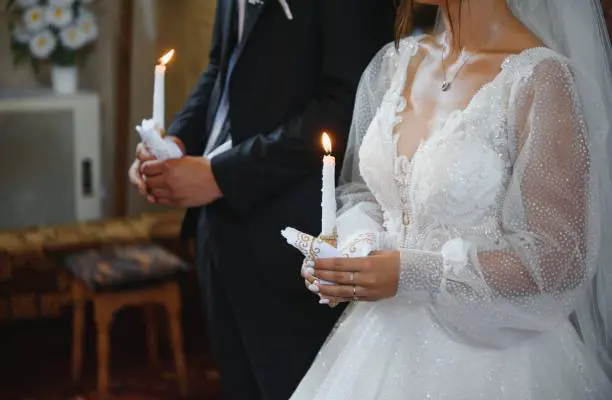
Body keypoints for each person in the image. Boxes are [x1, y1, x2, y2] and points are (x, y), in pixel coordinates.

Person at [295, 0, 612, 398]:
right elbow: (370, 194)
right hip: (378, 339)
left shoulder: (540, 79)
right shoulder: (396, 62)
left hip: (493, 359)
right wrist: (346, 252)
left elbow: (556, 256)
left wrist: (414, 272)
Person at [128, 1, 395, 399]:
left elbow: (344, 107)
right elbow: (221, 68)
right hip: (216, 223)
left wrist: (220, 175)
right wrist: (176, 141)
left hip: (293, 235)